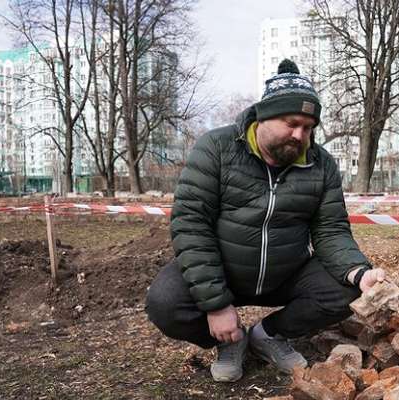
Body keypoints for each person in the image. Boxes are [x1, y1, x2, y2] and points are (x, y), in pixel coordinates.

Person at [146, 59, 385, 382]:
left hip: (285, 272)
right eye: (292, 123)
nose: (300, 135)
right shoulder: (217, 148)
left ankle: (268, 334)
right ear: (263, 116)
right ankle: (230, 341)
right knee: (164, 302)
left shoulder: (321, 164)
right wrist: (216, 305)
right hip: (226, 270)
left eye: (309, 127)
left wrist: (358, 272)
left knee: (350, 288)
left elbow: (330, 229)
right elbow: (191, 225)